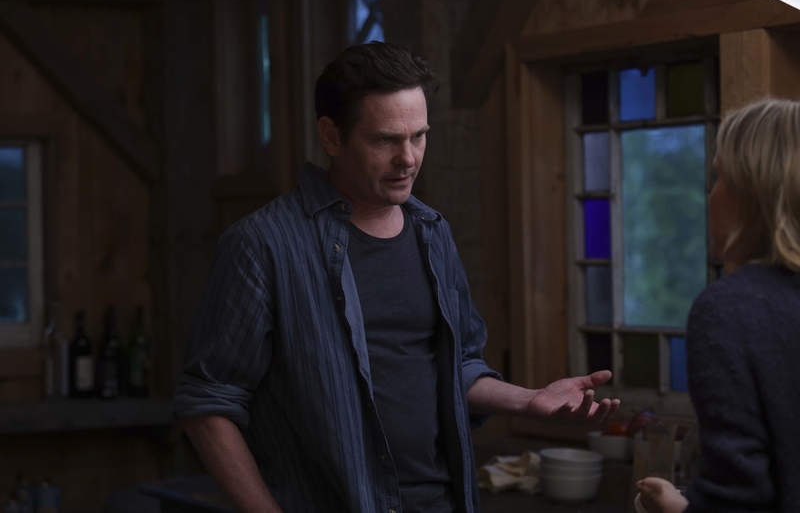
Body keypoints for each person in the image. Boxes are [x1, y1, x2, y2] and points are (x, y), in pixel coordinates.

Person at [172, 41, 620, 513]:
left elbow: (457, 366)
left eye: (419, 136)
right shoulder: (263, 244)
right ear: (331, 137)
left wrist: (529, 400)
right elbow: (208, 402)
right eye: (386, 140)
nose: (408, 158)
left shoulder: (433, 232)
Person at [636, 98, 800, 512]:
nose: (709, 195)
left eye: (718, 177)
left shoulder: (730, 311)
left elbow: (738, 501)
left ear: (753, 193)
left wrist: (676, 506)